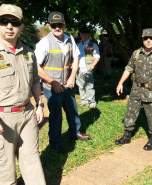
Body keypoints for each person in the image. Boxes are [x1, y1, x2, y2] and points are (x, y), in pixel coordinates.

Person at [0, 4, 46, 185]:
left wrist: (40, 104)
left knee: (32, 161)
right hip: (3, 118)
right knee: (5, 168)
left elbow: (35, 80)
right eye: (4, 22)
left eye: (14, 22)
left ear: (21, 27)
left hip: (27, 114)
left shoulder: (28, 52)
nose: (9, 26)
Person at [35, 11, 90, 153]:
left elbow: (76, 58)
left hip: (67, 84)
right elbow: (36, 67)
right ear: (49, 26)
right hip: (51, 87)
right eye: (54, 25)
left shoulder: (69, 38)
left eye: (60, 24)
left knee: (72, 110)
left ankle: (75, 132)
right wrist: (53, 82)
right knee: (56, 115)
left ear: (64, 25)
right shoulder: (44, 43)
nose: (57, 28)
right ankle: (55, 143)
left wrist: (72, 77)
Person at [76, 27, 100, 108]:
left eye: (85, 34)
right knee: (81, 85)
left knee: (89, 86)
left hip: (88, 68)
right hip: (79, 68)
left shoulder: (92, 44)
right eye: (81, 34)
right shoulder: (78, 44)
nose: (83, 35)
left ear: (88, 35)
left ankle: (91, 101)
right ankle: (84, 100)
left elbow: (97, 56)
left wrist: (92, 66)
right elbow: (77, 56)